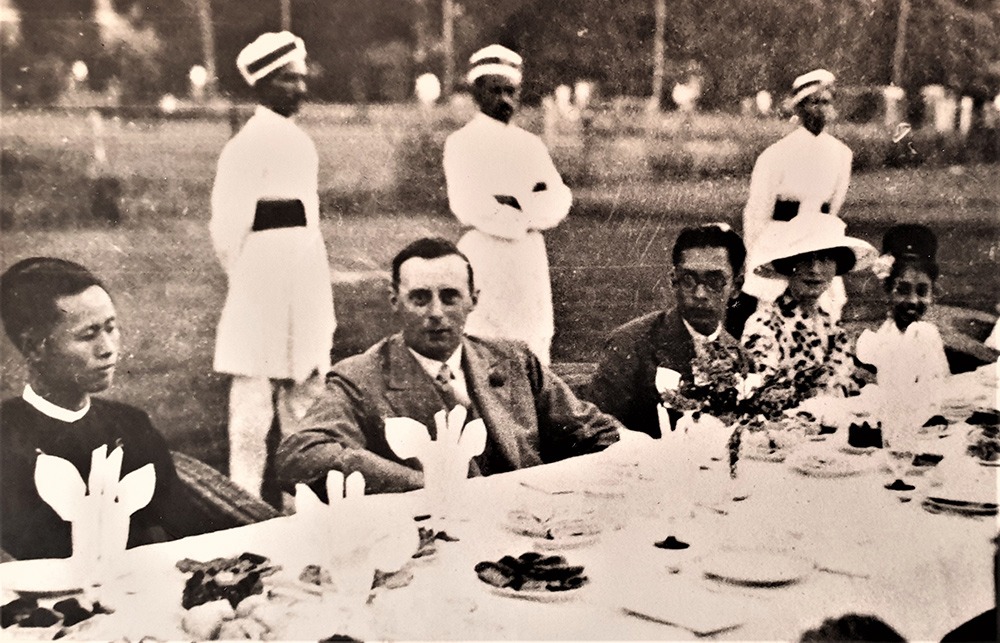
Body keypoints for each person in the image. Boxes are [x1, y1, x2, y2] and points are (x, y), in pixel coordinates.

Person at [275, 237, 621, 495]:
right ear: (395, 301)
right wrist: (424, 485)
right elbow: (300, 456)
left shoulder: (514, 360)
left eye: (450, 296)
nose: (436, 313)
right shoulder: (360, 378)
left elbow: (595, 433)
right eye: (420, 298)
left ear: (474, 300)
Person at [210, 31, 335, 500]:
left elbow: (310, 223)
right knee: (250, 408)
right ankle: (241, 501)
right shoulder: (245, 146)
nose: (298, 89)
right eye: (286, 80)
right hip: (258, 282)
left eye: (301, 79)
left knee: (305, 394)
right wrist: (249, 282)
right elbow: (227, 229)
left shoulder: (300, 143)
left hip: (303, 279)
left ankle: (299, 502)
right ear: (261, 85)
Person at [0, 258, 183, 560]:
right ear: (34, 348)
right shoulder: (7, 439)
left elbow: (184, 531)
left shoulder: (132, 425)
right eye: (88, 335)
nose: (107, 348)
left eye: (112, 328)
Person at [443, 44, 572, 365]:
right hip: (485, 255)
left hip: (527, 260)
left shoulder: (530, 145)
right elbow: (468, 204)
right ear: (477, 92)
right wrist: (526, 210)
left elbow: (558, 199)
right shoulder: (462, 143)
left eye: (511, 91)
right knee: (484, 348)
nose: (504, 99)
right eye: (495, 90)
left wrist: (514, 206)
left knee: (533, 349)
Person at [586, 223, 753, 438]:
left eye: (715, 281)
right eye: (689, 280)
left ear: (736, 287)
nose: (700, 293)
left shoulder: (741, 360)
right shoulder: (631, 344)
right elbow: (599, 428)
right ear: (673, 280)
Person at [735, 69, 853, 334]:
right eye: (814, 102)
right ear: (799, 108)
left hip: (818, 242)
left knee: (823, 313)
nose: (820, 109)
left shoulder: (841, 154)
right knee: (774, 311)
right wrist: (756, 255)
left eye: (826, 102)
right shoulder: (776, 154)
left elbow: (834, 208)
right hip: (780, 240)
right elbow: (756, 212)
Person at [741, 213, 876, 407]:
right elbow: (760, 397)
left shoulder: (830, 324)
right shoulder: (764, 324)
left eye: (826, 259)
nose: (815, 269)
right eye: (804, 259)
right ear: (788, 264)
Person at [855, 224, 949, 386]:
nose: (913, 300)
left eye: (922, 291)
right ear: (887, 289)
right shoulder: (874, 339)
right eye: (903, 290)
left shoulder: (929, 335)